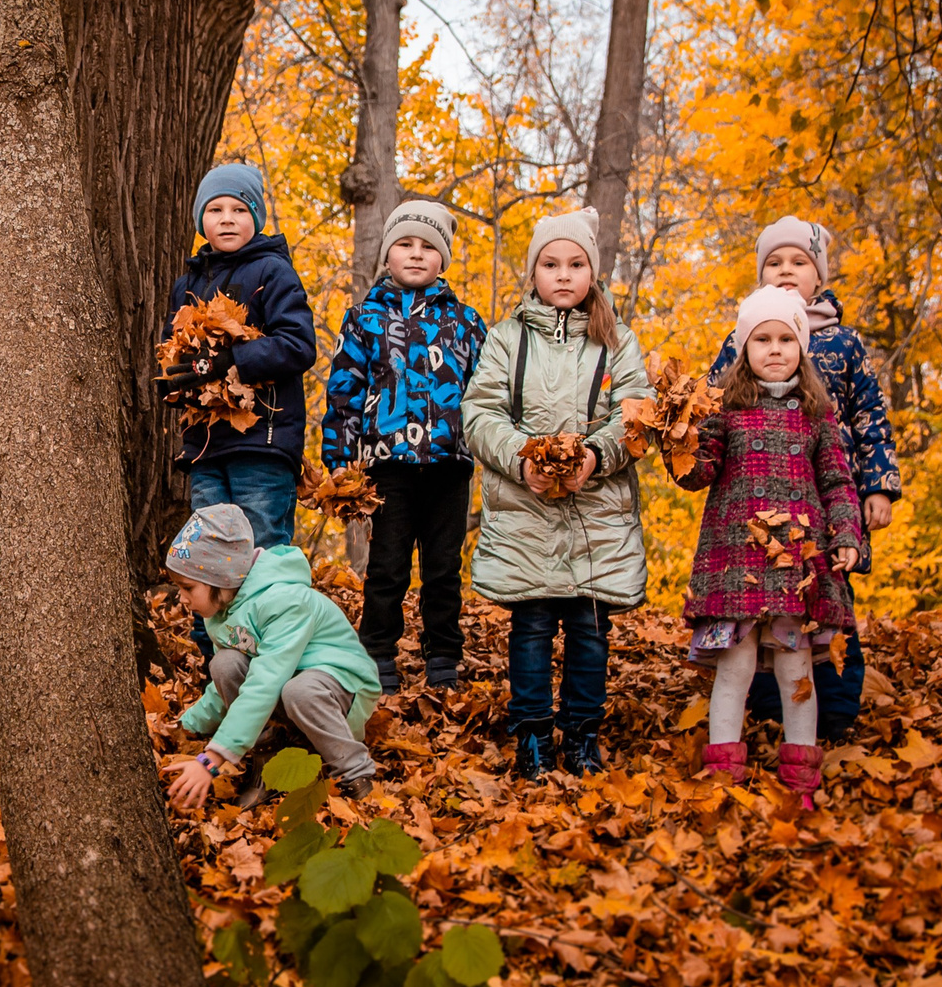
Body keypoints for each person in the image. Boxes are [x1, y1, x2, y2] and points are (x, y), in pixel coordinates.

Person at [460, 208, 650, 780]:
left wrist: (598, 455)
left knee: (591, 632)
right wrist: (522, 458)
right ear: (534, 271)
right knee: (532, 627)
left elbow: (637, 413)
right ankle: (534, 737)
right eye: (550, 264)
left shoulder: (616, 340)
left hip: (598, 515)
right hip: (527, 513)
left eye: (576, 264)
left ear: (592, 271)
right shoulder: (506, 338)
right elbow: (479, 412)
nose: (563, 275)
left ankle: (583, 736)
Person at [705, 218, 900, 741]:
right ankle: (765, 711)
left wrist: (877, 486)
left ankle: (833, 711)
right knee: (756, 619)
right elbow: (709, 405)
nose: (786, 270)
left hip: (820, 511)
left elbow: (870, 418)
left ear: (819, 275)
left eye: (799, 262)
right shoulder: (742, 336)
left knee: (824, 611)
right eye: (774, 262)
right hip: (749, 519)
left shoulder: (844, 343)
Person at [676, 288, 862, 810]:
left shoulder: (815, 413)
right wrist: (679, 441)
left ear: (802, 348)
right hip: (735, 560)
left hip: (796, 566)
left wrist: (847, 535)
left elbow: (837, 480)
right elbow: (699, 473)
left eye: (786, 339)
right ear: (743, 347)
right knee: (734, 667)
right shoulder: (724, 409)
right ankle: (723, 772)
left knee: (795, 669)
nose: (775, 349)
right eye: (762, 339)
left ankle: (801, 777)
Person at [322, 199, 488, 689]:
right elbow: (343, 392)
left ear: (443, 259)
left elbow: (485, 393)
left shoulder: (466, 322)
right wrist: (338, 457)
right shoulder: (362, 319)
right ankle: (376, 656)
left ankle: (443, 658)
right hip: (386, 464)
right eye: (404, 244)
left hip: (449, 464)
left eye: (428, 247)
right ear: (387, 254)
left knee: (443, 568)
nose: (416, 254)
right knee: (387, 567)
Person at [161, 504, 382, 805]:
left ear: (222, 579)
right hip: (289, 690)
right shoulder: (222, 611)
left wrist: (213, 758)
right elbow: (227, 684)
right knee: (225, 664)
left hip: (341, 688)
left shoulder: (284, 601)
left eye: (188, 587)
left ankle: (354, 774)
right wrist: (184, 726)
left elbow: (265, 681)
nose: (183, 599)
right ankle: (268, 758)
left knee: (300, 691)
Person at [157, 163, 317, 548]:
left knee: (260, 546)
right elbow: (170, 349)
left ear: (256, 217)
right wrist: (175, 382)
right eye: (216, 210)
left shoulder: (273, 272)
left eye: (239, 210)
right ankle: (209, 613)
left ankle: (268, 610)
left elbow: (298, 344)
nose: (227, 219)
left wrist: (233, 360)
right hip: (206, 447)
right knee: (208, 552)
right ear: (201, 220)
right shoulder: (188, 284)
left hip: (263, 441)